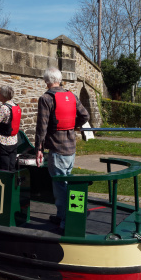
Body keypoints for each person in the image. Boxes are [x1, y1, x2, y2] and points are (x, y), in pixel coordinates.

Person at [35, 67, 90, 231]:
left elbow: (41, 127)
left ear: (47, 81)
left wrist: (38, 148)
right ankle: (61, 215)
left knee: (61, 185)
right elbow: (85, 115)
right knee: (65, 181)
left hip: (57, 148)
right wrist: (73, 126)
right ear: (59, 79)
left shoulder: (46, 98)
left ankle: (67, 221)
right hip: (71, 146)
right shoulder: (71, 95)